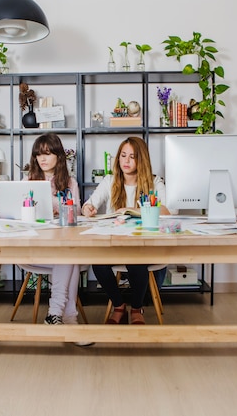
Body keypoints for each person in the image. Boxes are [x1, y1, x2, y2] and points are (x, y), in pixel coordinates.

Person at [81, 136, 171, 325]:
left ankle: (137, 308)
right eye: (123, 155)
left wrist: (133, 211)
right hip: (115, 243)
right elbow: (89, 204)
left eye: (132, 156)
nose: (126, 161)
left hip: (143, 245)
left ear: (142, 159)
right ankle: (119, 305)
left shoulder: (155, 182)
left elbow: (167, 211)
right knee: (98, 264)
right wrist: (87, 208)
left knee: (136, 264)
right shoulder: (110, 180)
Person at [23, 133, 85, 328]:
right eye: (38, 154)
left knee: (69, 256)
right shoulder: (27, 182)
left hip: (61, 246)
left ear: (58, 156)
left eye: (48, 153)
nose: (42, 158)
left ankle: (58, 315)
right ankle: (66, 317)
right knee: (70, 258)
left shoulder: (70, 183)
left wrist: (65, 209)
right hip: (35, 247)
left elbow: (77, 215)